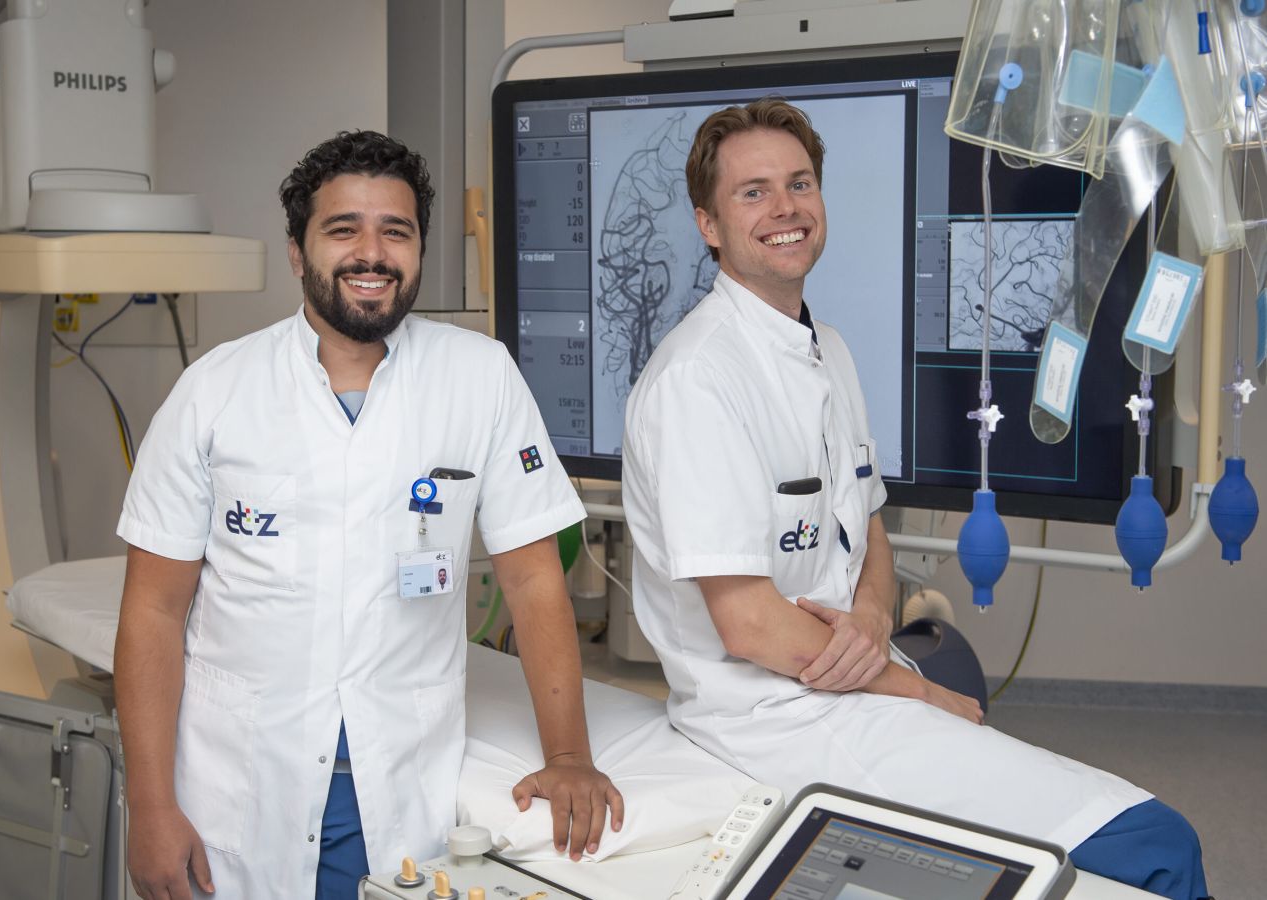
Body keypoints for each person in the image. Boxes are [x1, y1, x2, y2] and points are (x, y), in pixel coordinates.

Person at [620, 100, 1208, 900]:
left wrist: (870, 618)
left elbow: (867, 525)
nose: (786, 207)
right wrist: (919, 692)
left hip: (857, 679)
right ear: (709, 225)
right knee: (1159, 846)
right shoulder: (698, 381)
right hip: (777, 718)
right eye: (753, 192)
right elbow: (750, 625)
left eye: (799, 183)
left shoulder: (828, 350)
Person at [115, 130, 622, 900]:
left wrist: (570, 757)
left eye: (396, 231)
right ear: (298, 252)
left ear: (418, 250)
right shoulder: (214, 393)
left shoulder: (477, 376)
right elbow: (153, 610)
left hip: (397, 781)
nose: (372, 253)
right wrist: (152, 807)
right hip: (240, 789)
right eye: (343, 229)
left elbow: (531, 577)